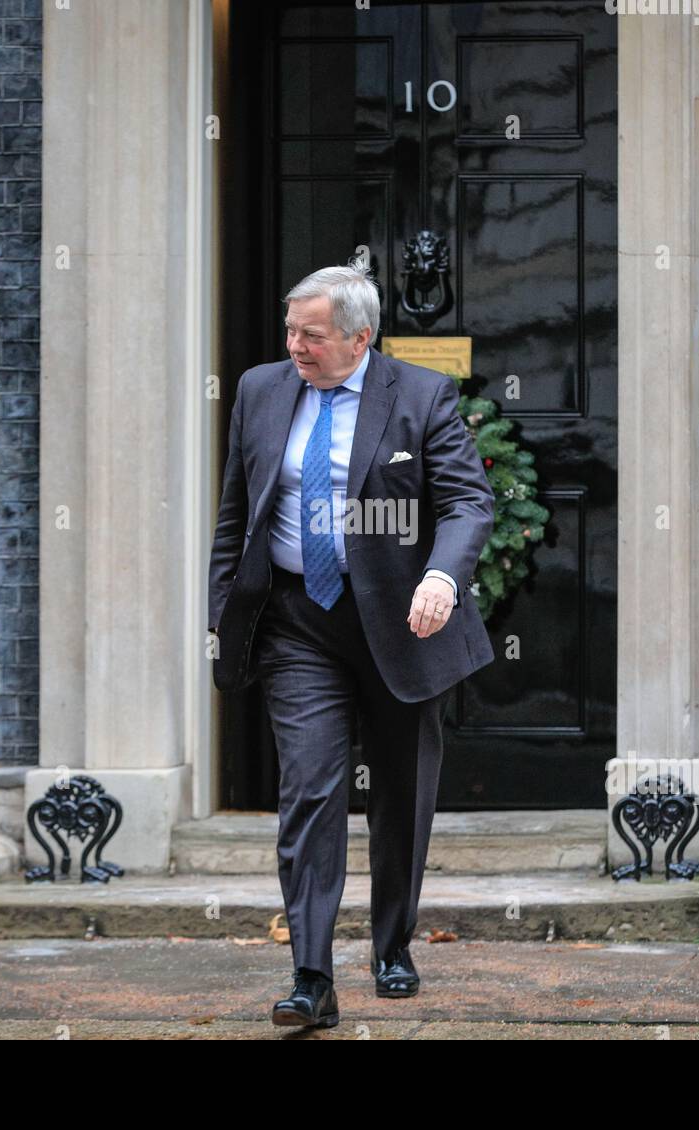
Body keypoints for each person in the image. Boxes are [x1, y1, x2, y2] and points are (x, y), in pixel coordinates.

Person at [207, 261, 496, 1028]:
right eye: (291, 330)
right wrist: (221, 611)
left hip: (404, 624)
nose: (295, 346)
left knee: (399, 798)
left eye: (313, 334)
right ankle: (311, 976)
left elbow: (468, 502)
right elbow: (239, 511)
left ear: (360, 337)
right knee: (309, 791)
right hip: (298, 624)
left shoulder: (422, 396)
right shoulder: (262, 391)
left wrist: (441, 577)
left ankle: (392, 942)